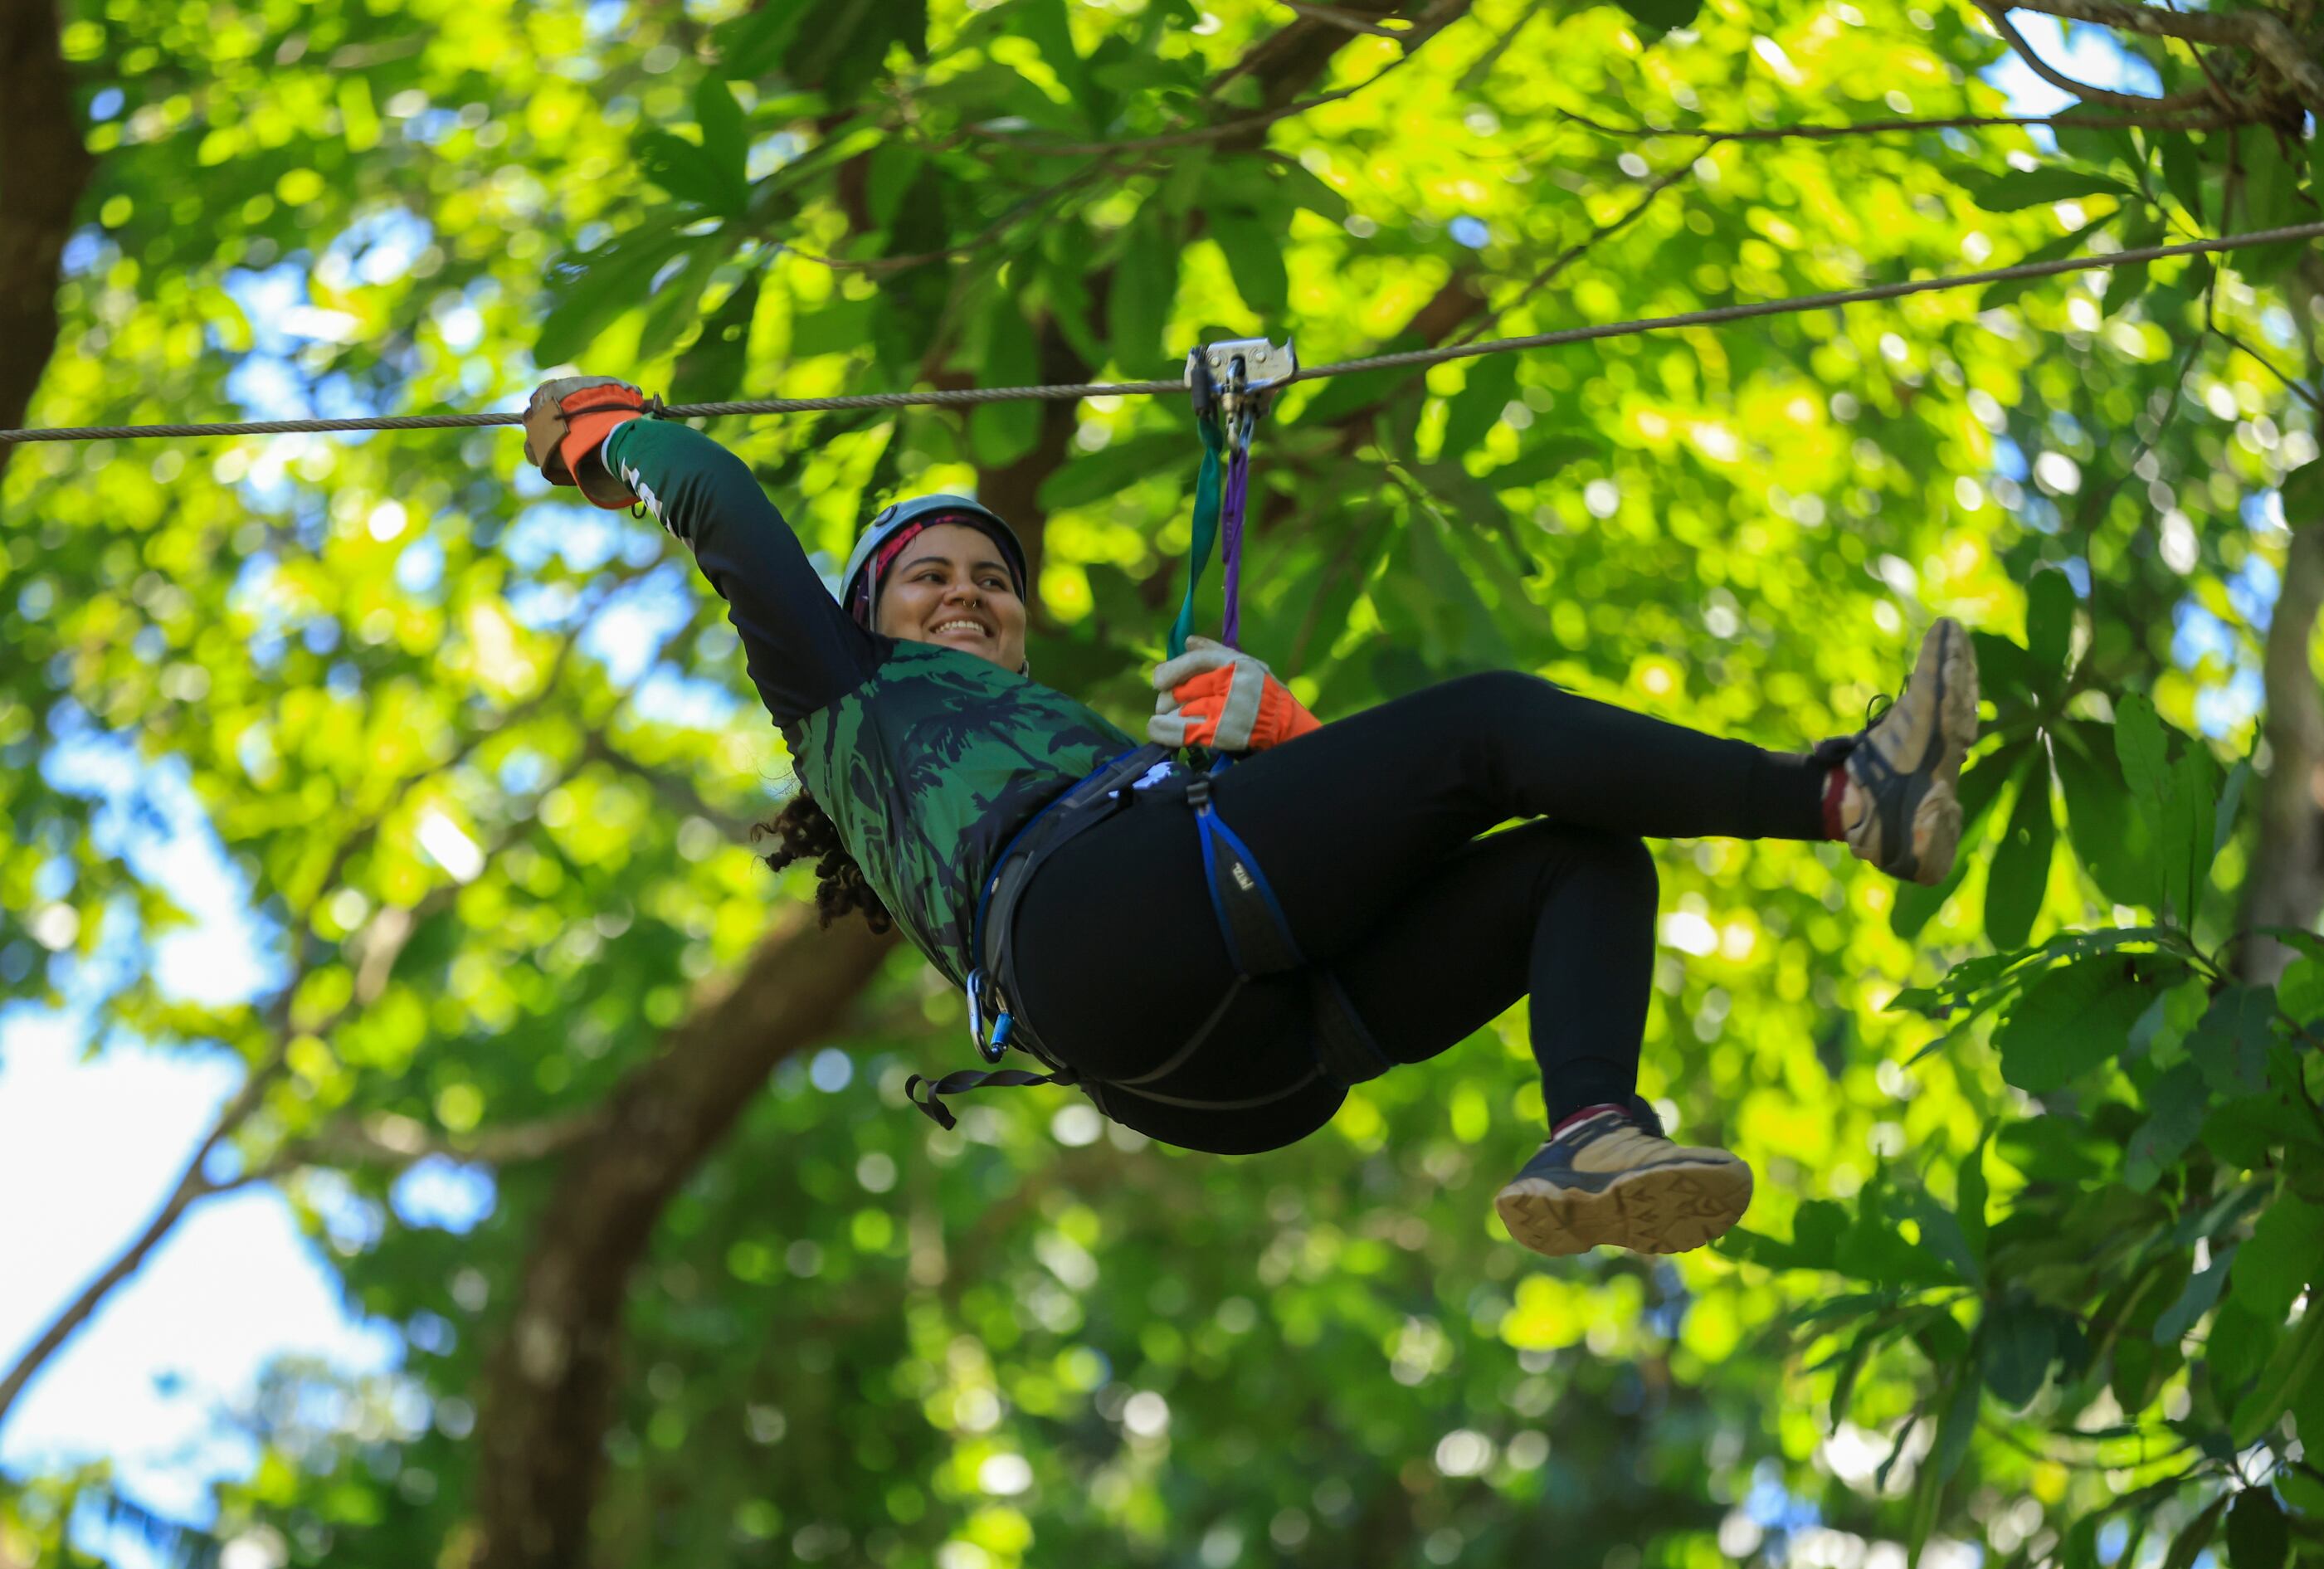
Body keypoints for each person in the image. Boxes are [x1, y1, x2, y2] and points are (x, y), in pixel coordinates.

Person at [522, 376, 1978, 1258]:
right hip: (1106, 943)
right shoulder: (840, 701)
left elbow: (1362, 845)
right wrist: (607, 436)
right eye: (928, 575)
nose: (968, 589)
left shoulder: (1074, 750)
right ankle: (1846, 792)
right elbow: (716, 501)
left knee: (1575, 863)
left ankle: (1593, 1129)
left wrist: (1284, 741)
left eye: (992, 578)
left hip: (1237, 1066)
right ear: (865, 619)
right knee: (1485, 725)